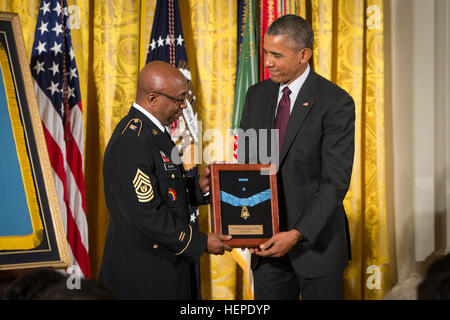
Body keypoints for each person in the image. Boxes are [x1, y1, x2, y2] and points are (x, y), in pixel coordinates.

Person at [238, 14, 355, 299]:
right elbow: (248, 166)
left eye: (276, 55)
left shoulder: (336, 102)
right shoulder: (256, 94)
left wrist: (297, 233)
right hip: (267, 249)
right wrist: (247, 227)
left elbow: (334, 182)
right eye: (266, 53)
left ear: (304, 54)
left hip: (316, 246)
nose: (267, 62)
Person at [99, 61, 232, 299]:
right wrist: (199, 242)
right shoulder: (132, 141)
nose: (183, 106)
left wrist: (198, 189)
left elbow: (165, 190)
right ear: (153, 99)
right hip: (145, 274)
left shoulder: (154, 132)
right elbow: (147, 213)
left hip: (166, 263)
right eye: (179, 99)